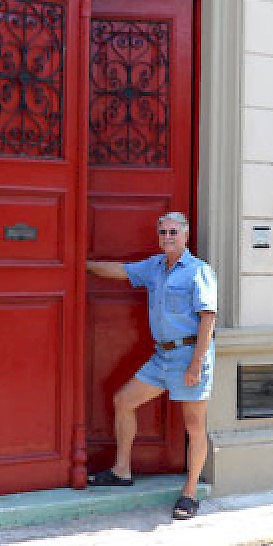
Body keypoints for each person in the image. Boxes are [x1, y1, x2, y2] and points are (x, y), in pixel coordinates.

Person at [86, 211, 216, 520]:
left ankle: (189, 494)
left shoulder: (198, 271)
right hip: (163, 358)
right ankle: (122, 470)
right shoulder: (154, 268)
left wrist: (196, 365)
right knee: (123, 401)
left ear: (185, 236)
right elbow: (121, 271)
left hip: (189, 356)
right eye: (163, 232)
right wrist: (81, 264)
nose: (168, 237)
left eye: (173, 232)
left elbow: (208, 318)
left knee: (194, 427)